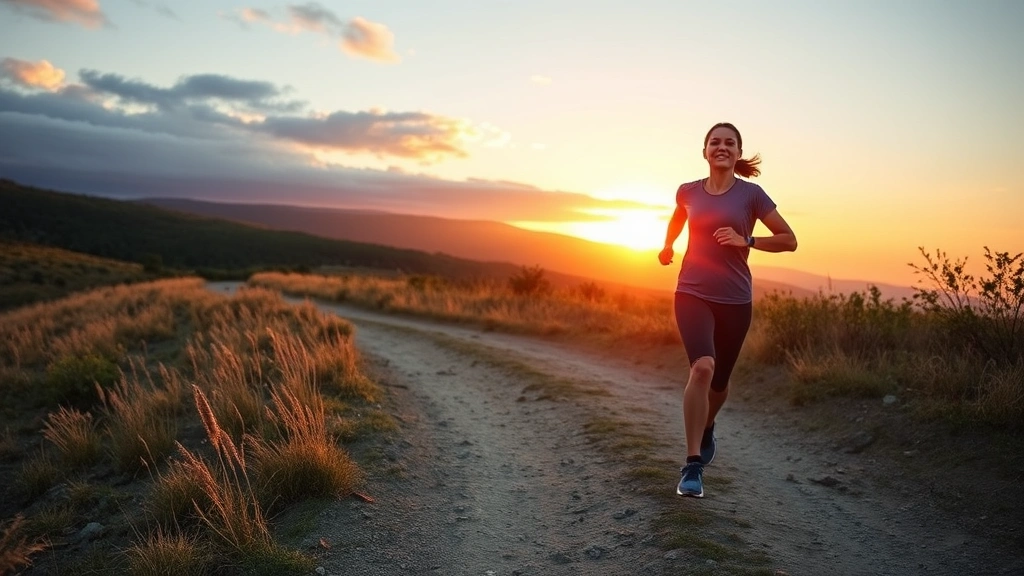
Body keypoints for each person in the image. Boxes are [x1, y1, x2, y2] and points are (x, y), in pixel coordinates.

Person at [658, 122, 797, 498]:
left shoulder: (752, 195)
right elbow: (678, 216)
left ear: (738, 153)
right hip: (692, 292)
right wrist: (668, 245)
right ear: (705, 151)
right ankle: (692, 466)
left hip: (736, 299)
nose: (722, 147)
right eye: (715, 142)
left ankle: (707, 426)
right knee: (703, 367)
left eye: (729, 143)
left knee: (719, 384)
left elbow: (790, 240)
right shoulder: (687, 191)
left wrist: (746, 239)